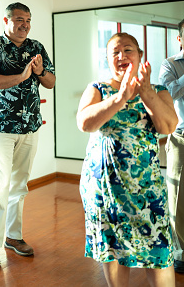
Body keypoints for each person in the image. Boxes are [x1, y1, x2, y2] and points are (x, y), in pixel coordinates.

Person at [77, 32, 178, 286]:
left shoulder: (158, 90)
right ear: (108, 60)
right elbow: (85, 123)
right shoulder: (98, 89)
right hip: (104, 190)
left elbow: (168, 126)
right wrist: (120, 97)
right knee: (113, 252)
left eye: (128, 50)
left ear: (140, 55)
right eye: (115, 52)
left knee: (159, 251)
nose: (122, 56)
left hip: (146, 190)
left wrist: (145, 93)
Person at [0, 2, 56, 265]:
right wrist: (22, 76)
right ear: (6, 20)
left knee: (19, 186)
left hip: (30, 126)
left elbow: (51, 82)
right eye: (19, 19)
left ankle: (13, 236)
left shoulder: (37, 47)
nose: (25, 24)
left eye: (28, 20)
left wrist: (40, 72)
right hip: (0, 127)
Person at [159, 18, 184, 275]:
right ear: (180, 38)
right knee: (177, 199)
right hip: (181, 138)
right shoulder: (170, 65)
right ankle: (180, 253)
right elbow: (168, 93)